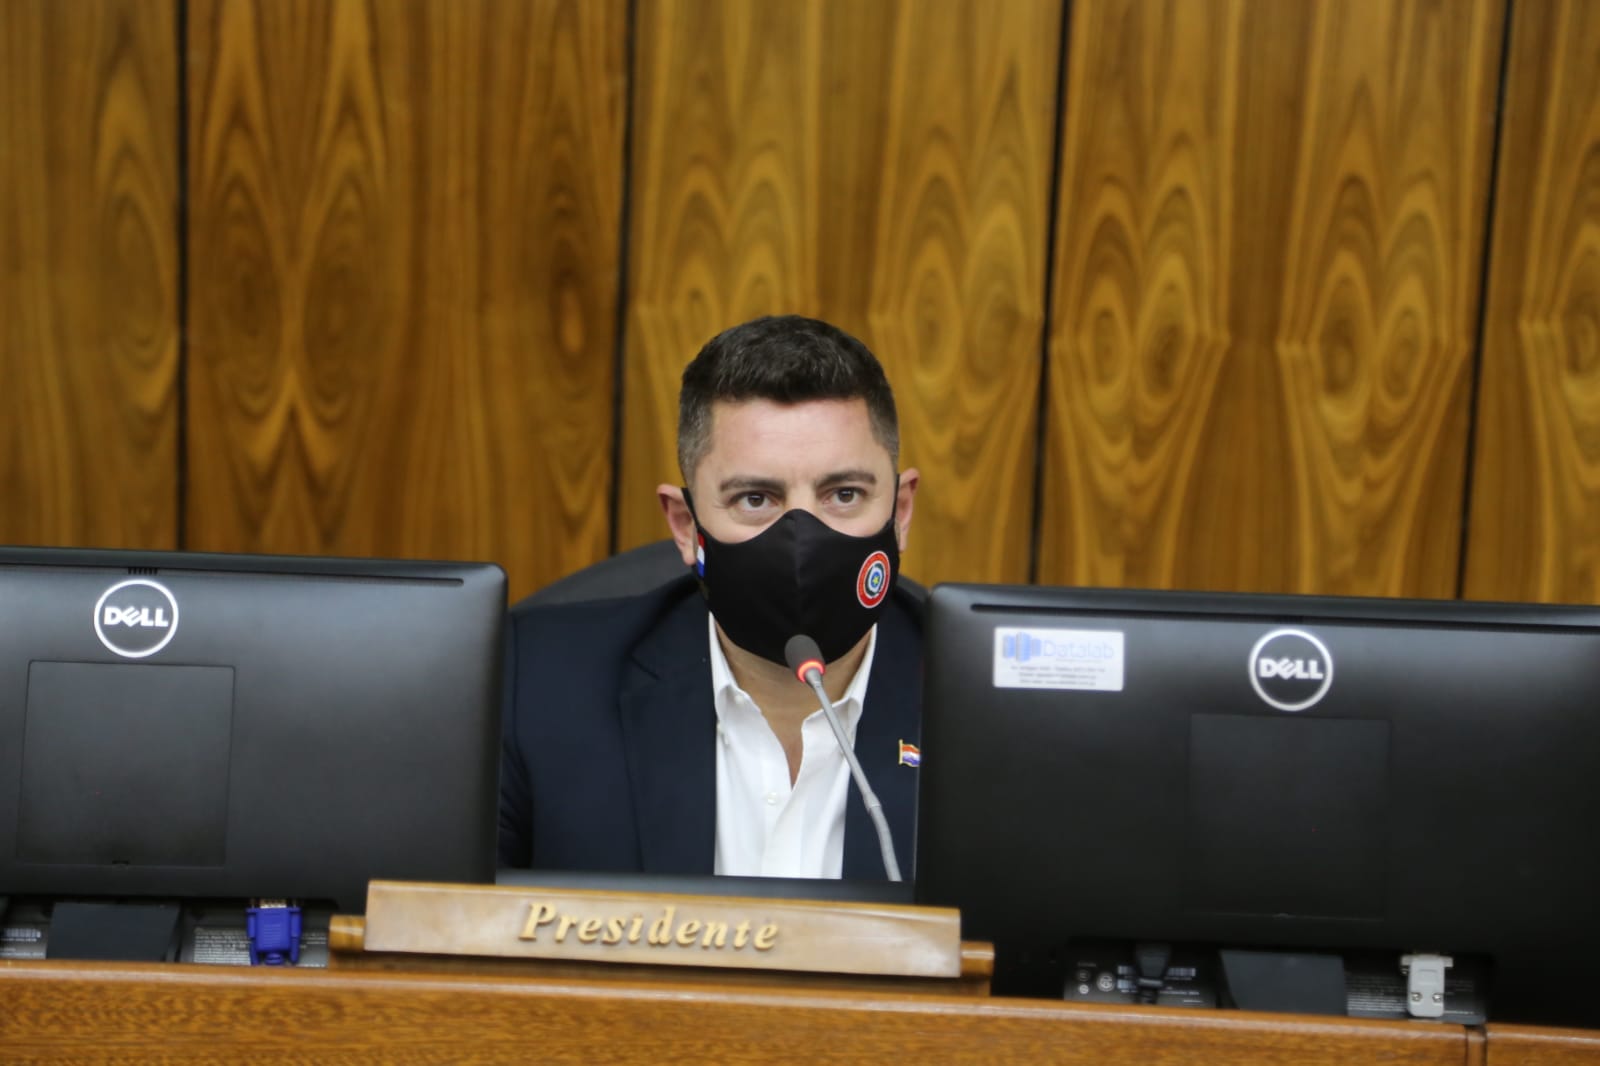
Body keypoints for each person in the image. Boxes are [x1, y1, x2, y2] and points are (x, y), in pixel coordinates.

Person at [497, 315, 922, 880]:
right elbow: (443, 932)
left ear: (899, 513)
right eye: (754, 499)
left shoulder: (982, 711)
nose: (802, 537)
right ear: (684, 526)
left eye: (844, 494)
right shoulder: (537, 688)